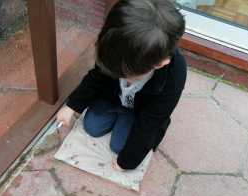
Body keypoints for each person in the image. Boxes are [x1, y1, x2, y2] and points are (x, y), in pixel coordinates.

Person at [57, 0, 187, 171]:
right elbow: (96, 77)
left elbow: (151, 122)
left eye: (125, 74)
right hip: (113, 99)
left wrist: (126, 162)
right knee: (92, 127)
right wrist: (72, 106)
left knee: (120, 147)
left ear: (160, 63)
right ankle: (118, 114)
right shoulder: (118, 47)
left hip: (141, 111)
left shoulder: (174, 75)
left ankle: (126, 119)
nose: (118, 76)